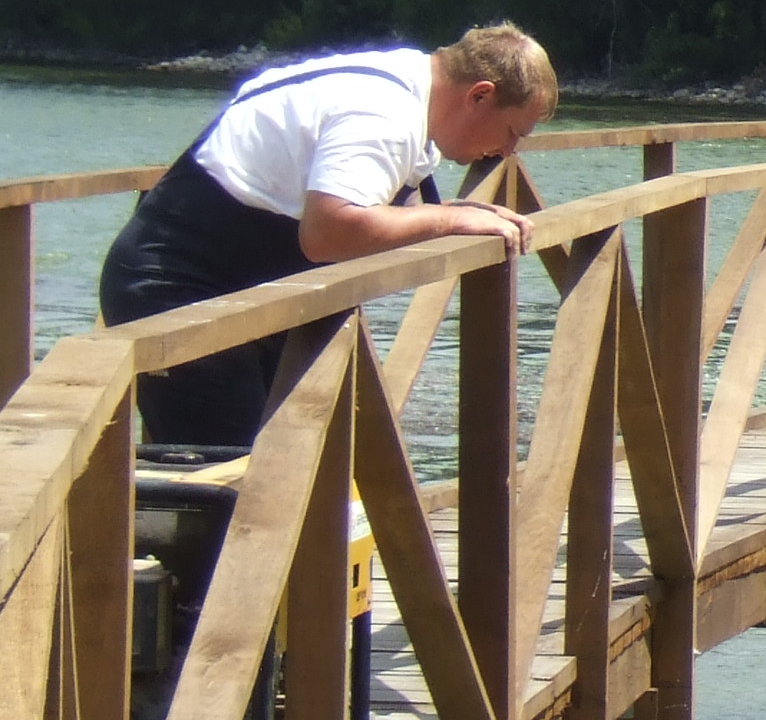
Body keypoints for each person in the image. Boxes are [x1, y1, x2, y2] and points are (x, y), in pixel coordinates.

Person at [97, 24, 557, 447]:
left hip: (233, 287)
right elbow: (330, 232)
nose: (508, 152)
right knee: (229, 481)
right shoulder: (384, 115)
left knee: (280, 466)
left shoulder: (404, 83)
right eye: (514, 132)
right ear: (479, 96)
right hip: (175, 289)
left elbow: (380, 205)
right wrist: (449, 221)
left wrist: (441, 213)